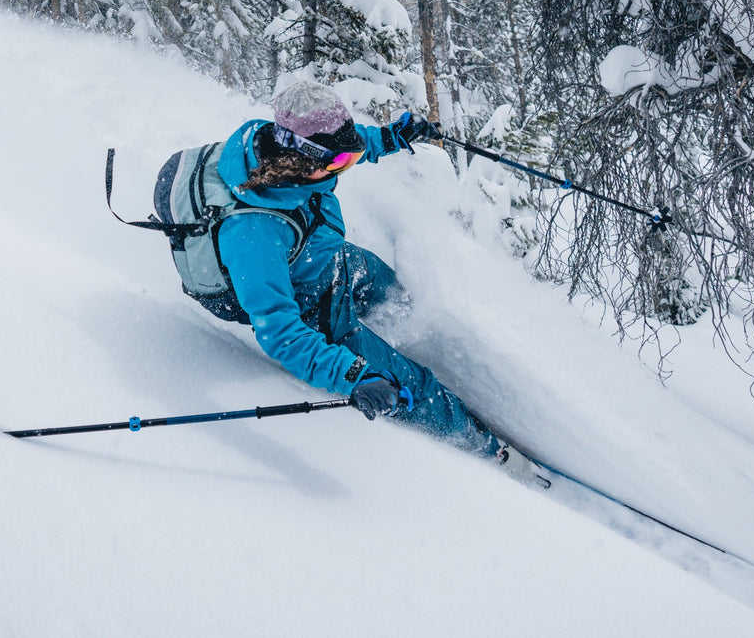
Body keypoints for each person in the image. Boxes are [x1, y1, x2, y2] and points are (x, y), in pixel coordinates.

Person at [189, 80, 543, 484]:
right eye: (340, 161)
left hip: (325, 257)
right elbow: (281, 333)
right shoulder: (254, 232)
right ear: (301, 158)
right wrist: (354, 375)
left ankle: (431, 345)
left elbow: (343, 145)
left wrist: (391, 138)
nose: (346, 166)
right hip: (309, 305)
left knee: (394, 291)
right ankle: (487, 450)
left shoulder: (287, 152)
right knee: (409, 384)